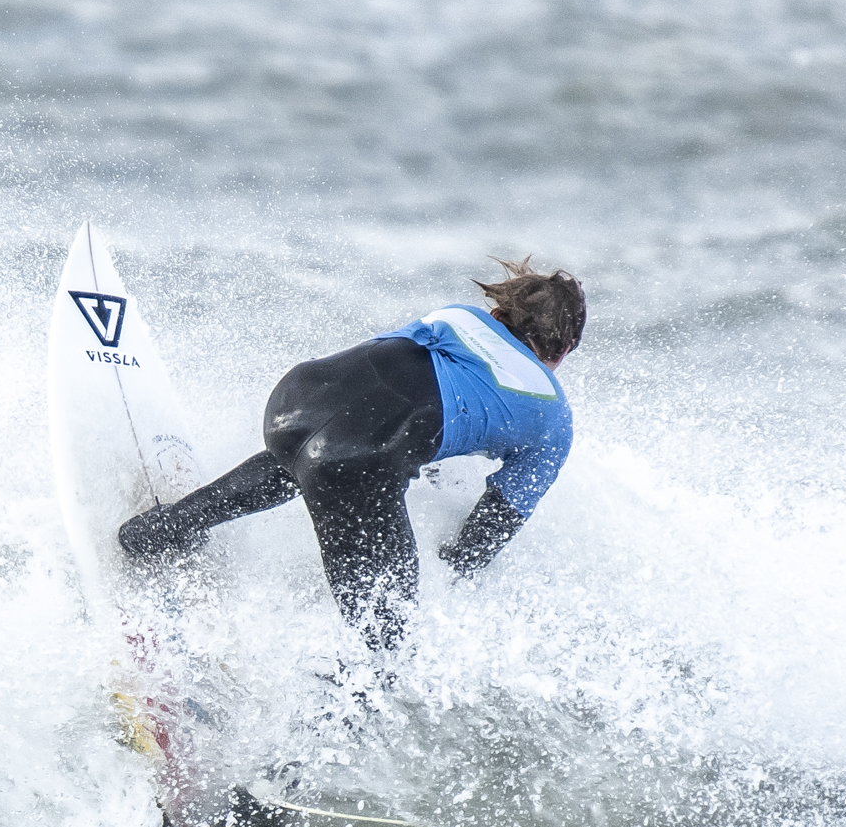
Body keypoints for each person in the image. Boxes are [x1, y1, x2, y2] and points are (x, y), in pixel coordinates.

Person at [117, 260, 585, 653]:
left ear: (500, 313)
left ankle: (160, 530)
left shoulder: (457, 316)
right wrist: (454, 569)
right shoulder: (553, 417)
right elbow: (494, 523)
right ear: (564, 349)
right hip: (352, 461)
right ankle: (316, 734)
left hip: (295, 400)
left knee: (314, 458)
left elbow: (383, 395)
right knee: (387, 644)